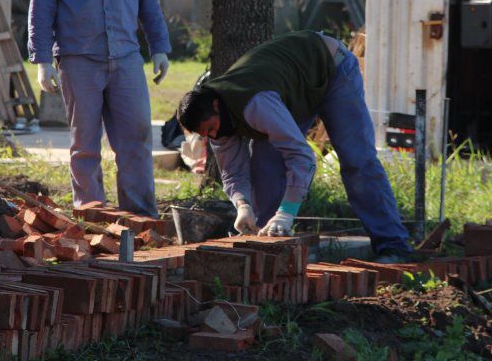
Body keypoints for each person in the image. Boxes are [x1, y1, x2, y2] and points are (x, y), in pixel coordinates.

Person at [176, 30, 412, 261]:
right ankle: (271, 248)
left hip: (331, 69)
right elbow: (232, 172)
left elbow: (301, 157)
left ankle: (393, 245)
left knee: (356, 161)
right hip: (290, 91)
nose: (213, 135)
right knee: (265, 167)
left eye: (212, 128)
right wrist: (243, 205)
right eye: (206, 134)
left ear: (216, 106)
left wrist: (287, 212)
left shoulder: (255, 104)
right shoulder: (214, 122)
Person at [28, 0, 171, 218]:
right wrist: (42, 59)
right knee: (85, 146)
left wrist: (159, 46)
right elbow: (42, 7)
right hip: (79, 60)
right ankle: (92, 218)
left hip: (125, 57)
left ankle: (140, 219)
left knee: (136, 141)